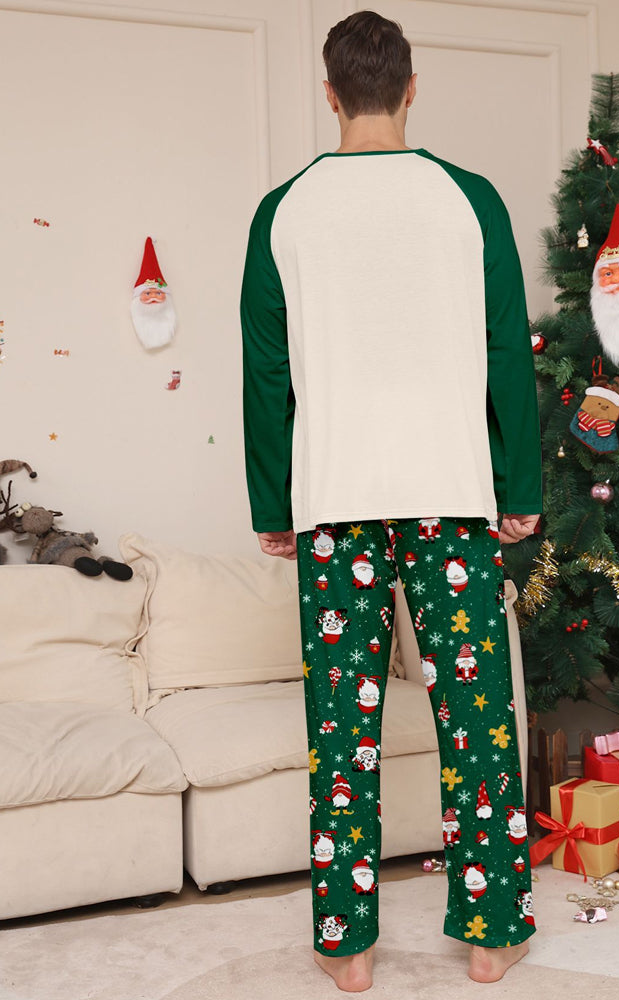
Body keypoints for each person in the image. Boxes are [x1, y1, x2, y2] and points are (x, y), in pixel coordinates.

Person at [240, 10, 542, 992]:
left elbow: (266, 373)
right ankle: (491, 936)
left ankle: (348, 947)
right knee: (477, 721)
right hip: (451, 495)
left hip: (334, 501)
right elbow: (507, 353)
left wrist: (273, 504)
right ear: (411, 89)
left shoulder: (282, 211)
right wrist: (519, 486)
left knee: (341, 731)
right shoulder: (470, 201)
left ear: (330, 94)